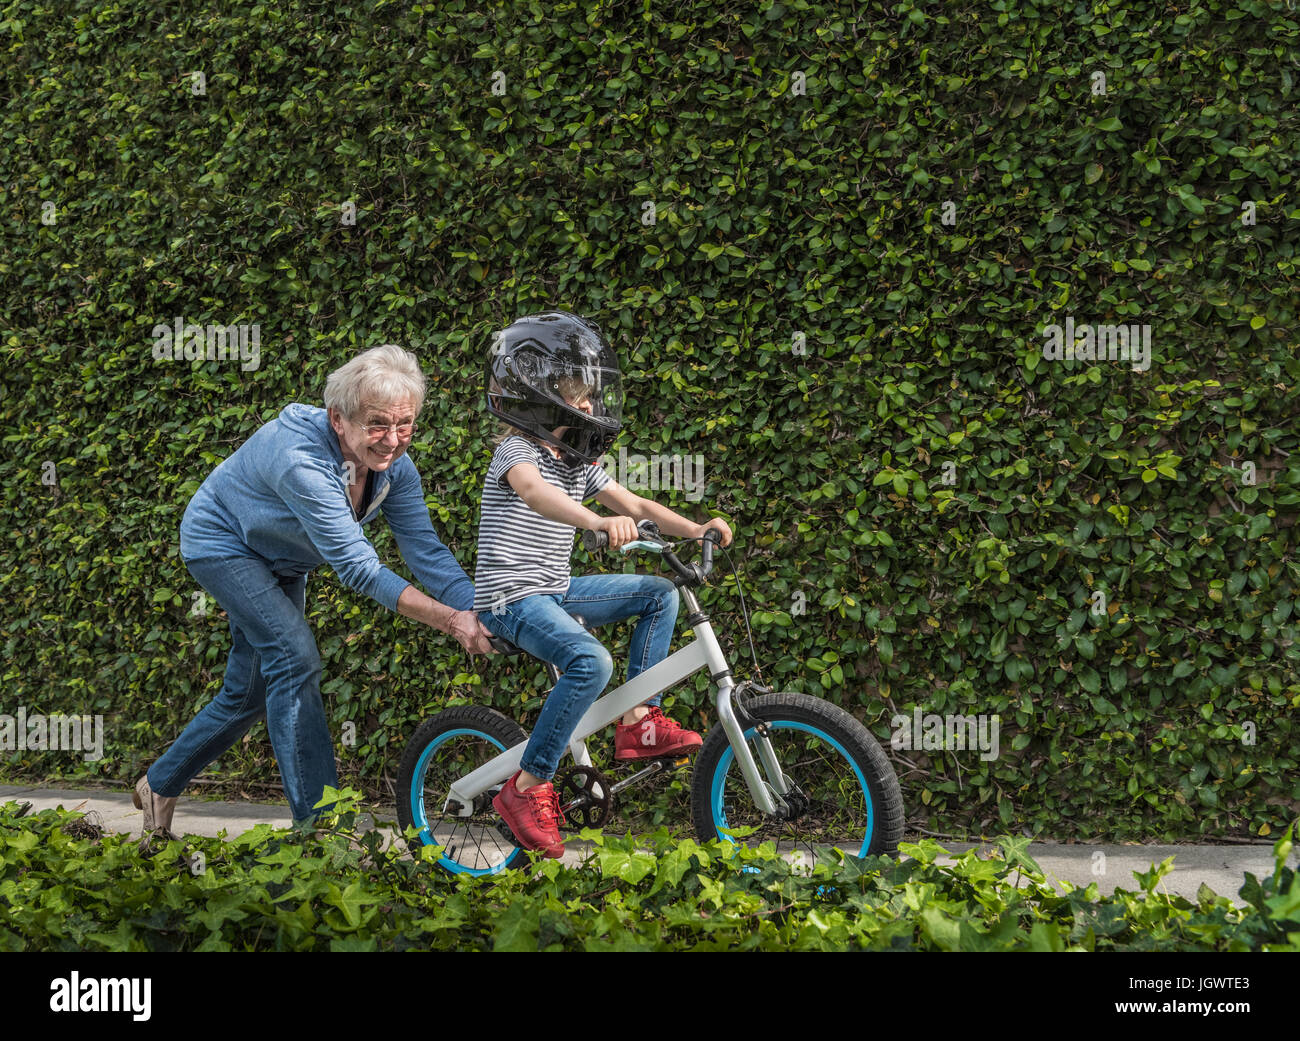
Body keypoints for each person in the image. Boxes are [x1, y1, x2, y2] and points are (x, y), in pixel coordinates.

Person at [134, 344, 494, 836]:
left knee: (249, 693)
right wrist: (452, 620)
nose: (392, 440)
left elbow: (425, 551)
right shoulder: (300, 459)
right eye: (378, 424)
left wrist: (482, 608)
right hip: (225, 545)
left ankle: (159, 783)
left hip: (282, 555)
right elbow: (359, 569)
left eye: (404, 423)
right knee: (295, 658)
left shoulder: (393, 470)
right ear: (338, 419)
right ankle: (324, 828)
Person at [475, 311, 733, 858]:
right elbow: (533, 494)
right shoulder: (517, 451)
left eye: (590, 395)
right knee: (591, 663)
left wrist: (694, 528)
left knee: (658, 594)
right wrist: (593, 522)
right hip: (510, 599)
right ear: (540, 398)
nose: (589, 406)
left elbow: (635, 504)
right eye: (577, 395)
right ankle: (524, 787)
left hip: (554, 589)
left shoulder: (575, 460)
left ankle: (639, 722)